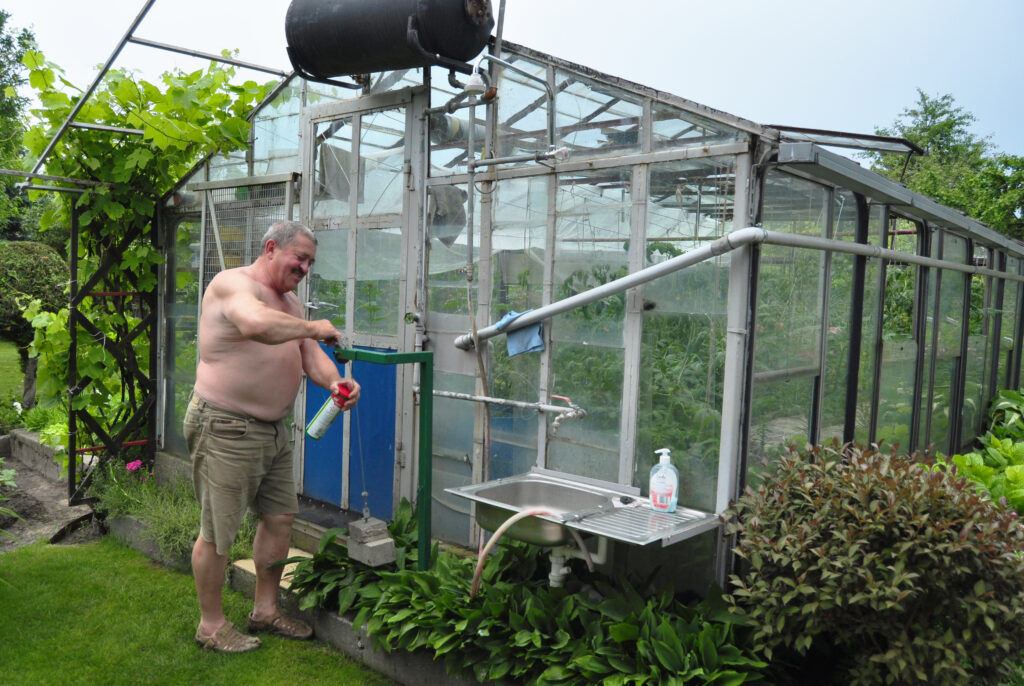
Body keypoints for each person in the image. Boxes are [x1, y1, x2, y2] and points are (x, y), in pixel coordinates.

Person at [185, 220, 360, 653]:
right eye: (298, 258)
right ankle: (211, 624)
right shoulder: (232, 285)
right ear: (270, 248)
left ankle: (266, 609)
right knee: (217, 532)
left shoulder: (291, 304)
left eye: (310, 262)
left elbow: (309, 356)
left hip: (272, 431)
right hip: (225, 425)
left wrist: (337, 383)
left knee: (280, 519)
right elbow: (255, 326)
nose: (304, 267)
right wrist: (313, 326)